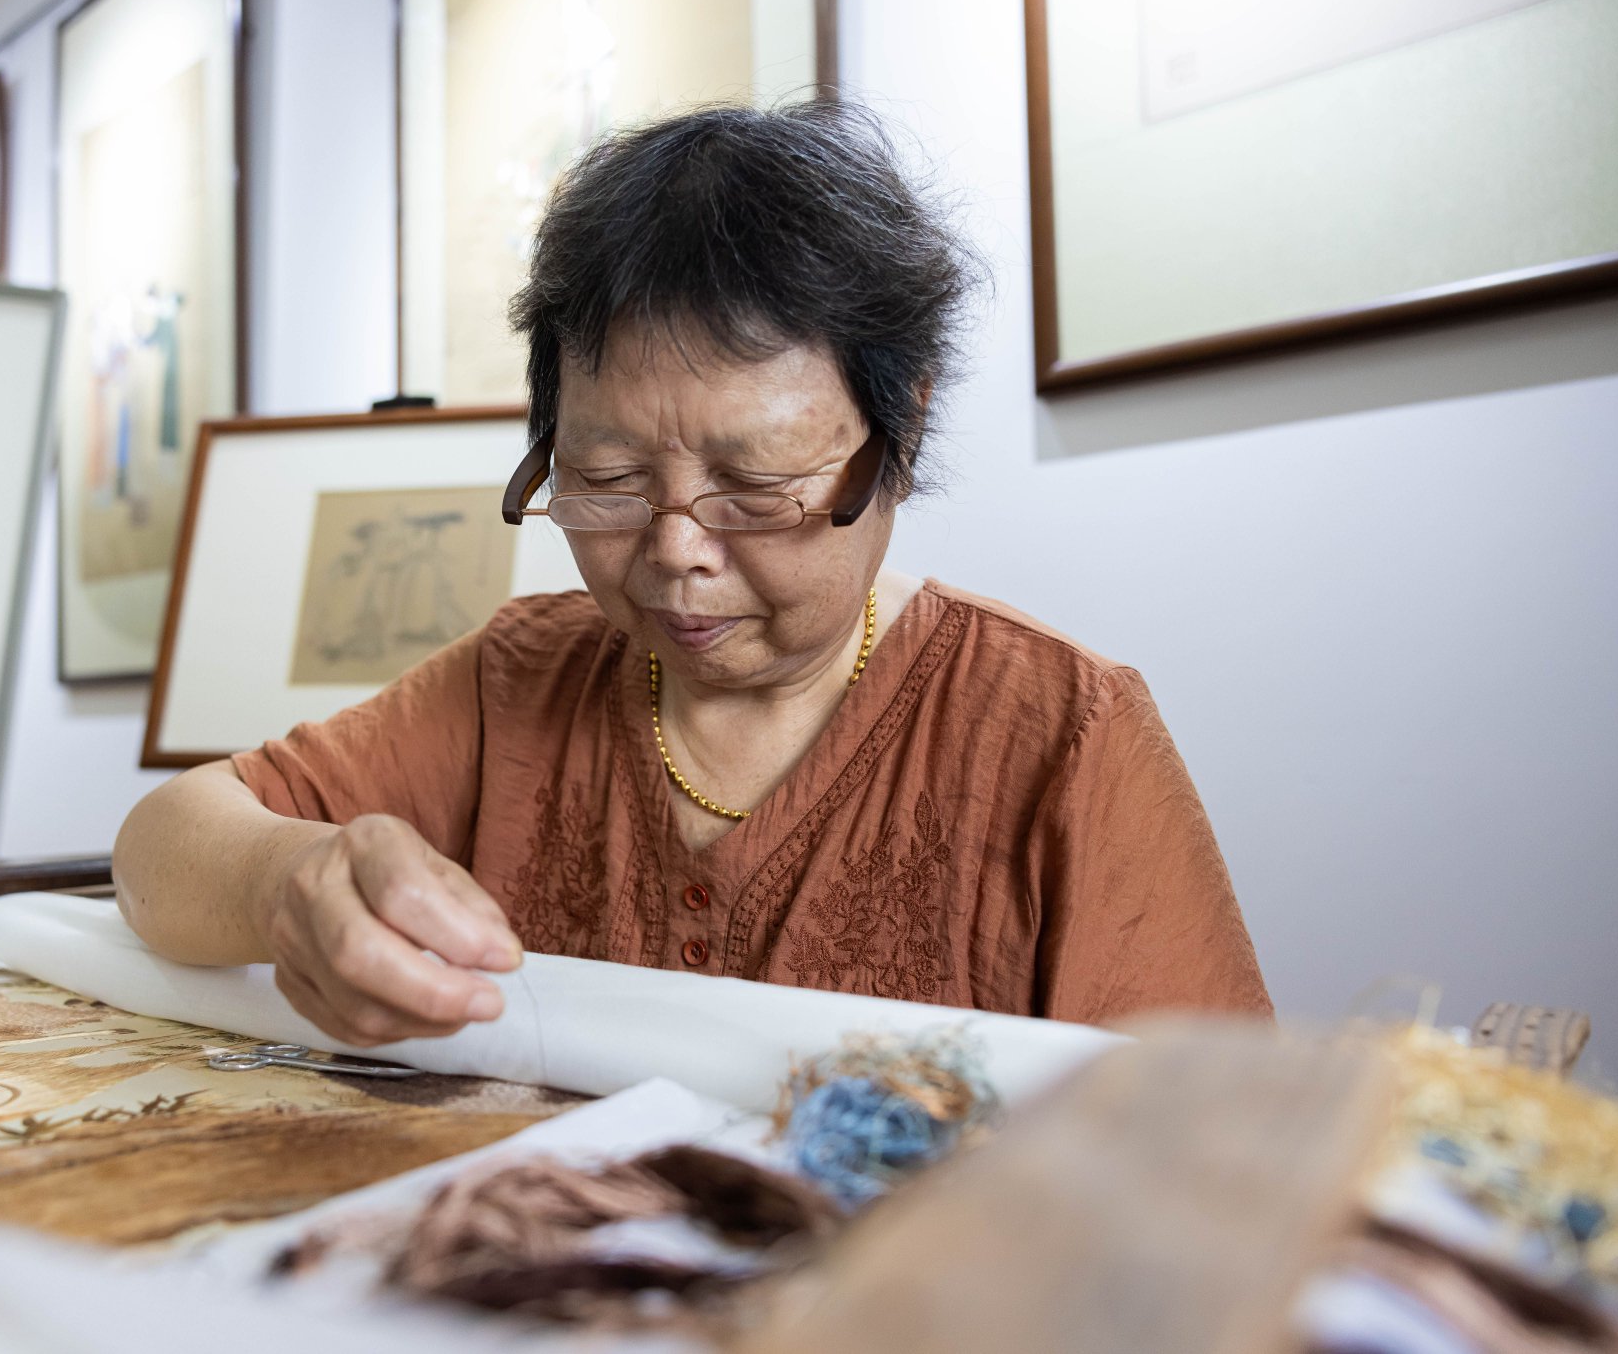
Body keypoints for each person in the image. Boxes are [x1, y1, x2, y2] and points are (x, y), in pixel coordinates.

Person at [113, 101, 1270, 1045]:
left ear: (900, 429)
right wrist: (288, 879)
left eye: (753, 485)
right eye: (606, 480)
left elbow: (1216, 1150)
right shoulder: (517, 682)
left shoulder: (1061, 734)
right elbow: (162, 845)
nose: (673, 549)